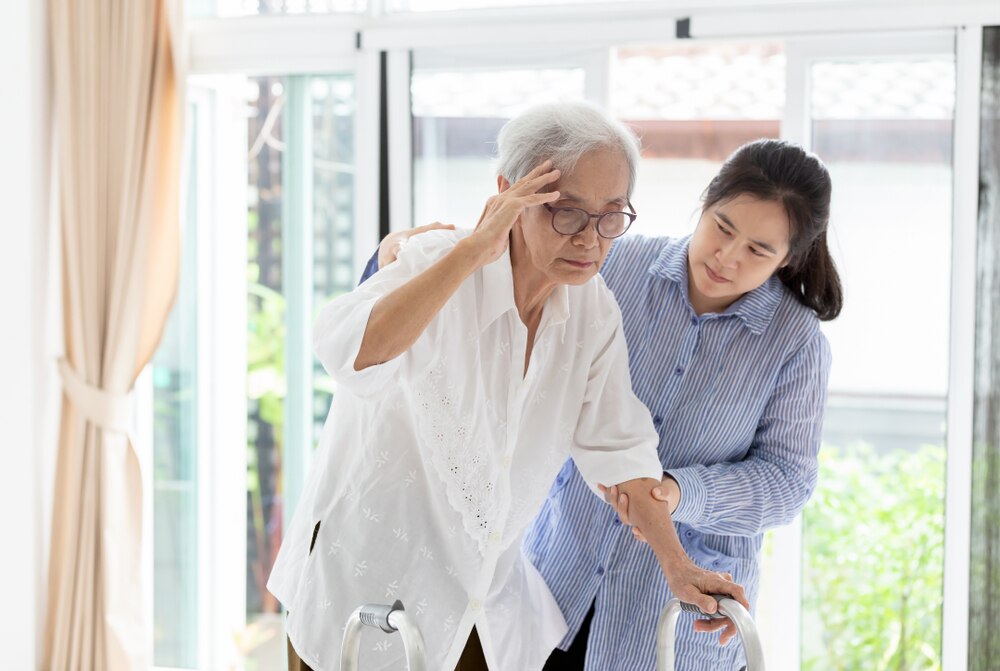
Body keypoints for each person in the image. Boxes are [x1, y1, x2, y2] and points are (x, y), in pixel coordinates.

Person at [268, 102, 747, 671]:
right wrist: (475, 248)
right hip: (363, 597)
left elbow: (621, 454)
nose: (591, 239)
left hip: (482, 611)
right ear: (508, 192)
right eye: (566, 212)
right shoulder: (434, 259)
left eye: (611, 216)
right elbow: (349, 353)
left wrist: (677, 565)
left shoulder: (593, 312)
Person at [376, 137, 841, 670]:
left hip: (671, 618)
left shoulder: (796, 342)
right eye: (723, 228)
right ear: (705, 204)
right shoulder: (616, 267)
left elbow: (786, 480)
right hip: (556, 583)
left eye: (759, 251)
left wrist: (678, 493)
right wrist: (405, 248)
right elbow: (512, 260)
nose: (727, 257)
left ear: (791, 258)